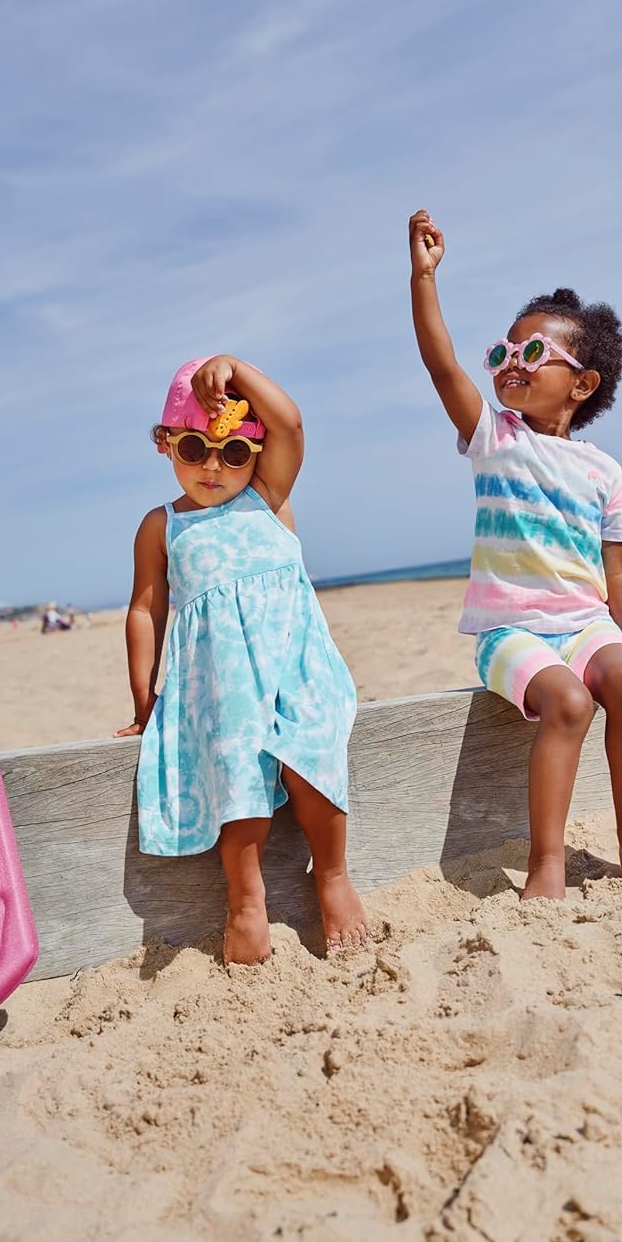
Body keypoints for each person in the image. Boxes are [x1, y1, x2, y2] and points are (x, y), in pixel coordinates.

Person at [409, 210, 622, 900]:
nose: (512, 363)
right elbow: (440, 360)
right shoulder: (493, 437)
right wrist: (424, 278)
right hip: (509, 632)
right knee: (567, 701)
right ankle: (548, 864)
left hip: (585, 623)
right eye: (505, 351)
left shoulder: (603, 470)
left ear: (582, 384)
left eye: (533, 354)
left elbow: (615, 572)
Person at [116, 355, 367, 964]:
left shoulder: (267, 498)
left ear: (256, 453)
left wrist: (233, 367)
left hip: (296, 663)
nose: (212, 466)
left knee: (313, 765)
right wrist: (145, 699)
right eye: (194, 447)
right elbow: (146, 610)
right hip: (219, 684)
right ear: (166, 444)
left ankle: (331, 875)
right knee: (237, 786)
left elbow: (292, 423)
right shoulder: (163, 526)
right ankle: (246, 900)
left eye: (233, 452)